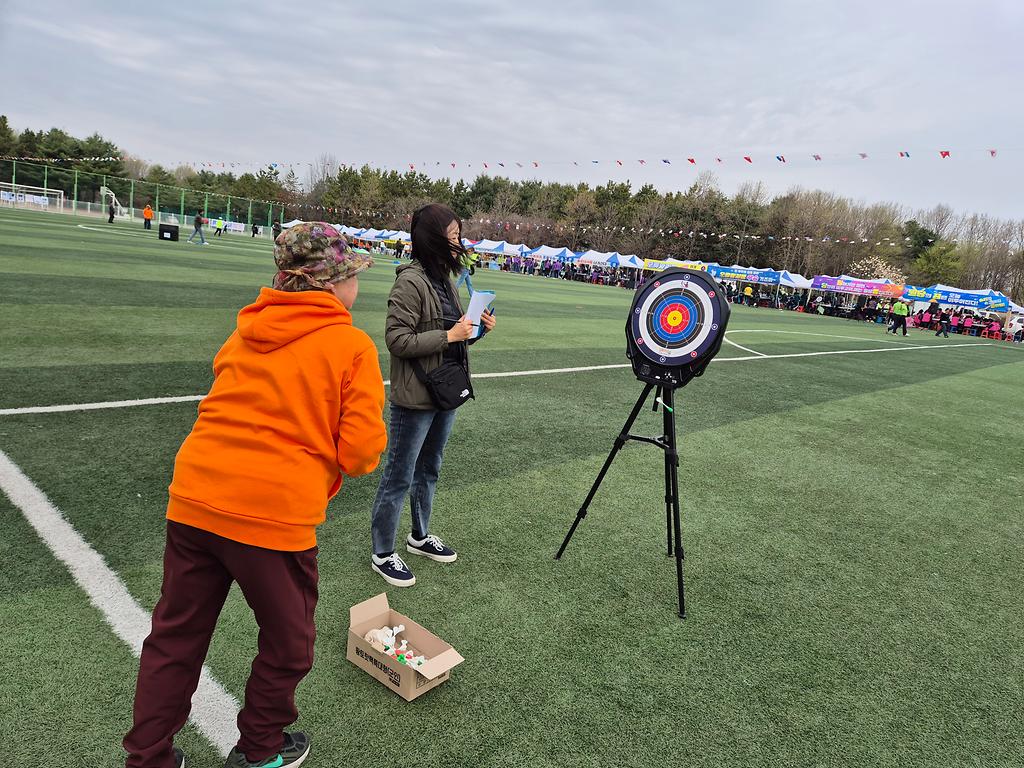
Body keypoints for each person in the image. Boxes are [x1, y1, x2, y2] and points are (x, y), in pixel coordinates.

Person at [123, 223, 386, 768]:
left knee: (174, 637)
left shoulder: (245, 329)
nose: (357, 286)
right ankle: (260, 749)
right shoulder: (351, 345)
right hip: (273, 514)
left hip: (194, 496)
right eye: (352, 275)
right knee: (290, 643)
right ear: (331, 283)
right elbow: (360, 455)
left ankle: (147, 758)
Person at [369, 203, 497, 588]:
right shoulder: (410, 282)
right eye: (453, 235)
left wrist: (477, 329)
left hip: (445, 390)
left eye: (459, 235)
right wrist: (449, 335)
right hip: (415, 396)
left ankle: (419, 536)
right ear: (433, 238)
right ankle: (382, 552)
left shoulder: (445, 280)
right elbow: (397, 340)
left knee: (430, 468)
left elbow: (455, 338)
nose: (459, 242)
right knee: (399, 474)